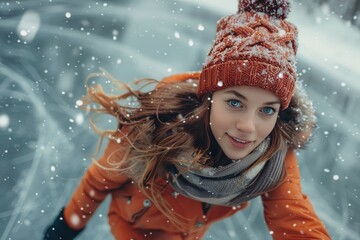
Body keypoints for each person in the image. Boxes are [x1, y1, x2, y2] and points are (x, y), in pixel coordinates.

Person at [44, 0, 331, 239]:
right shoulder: (157, 124)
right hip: (135, 227)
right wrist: (67, 226)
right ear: (209, 98)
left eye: (267, 110)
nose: (248, 127)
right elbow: (101, 178)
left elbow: (292, 218)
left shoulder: (271, 154)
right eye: (234, 103)